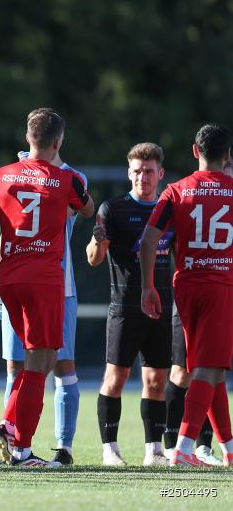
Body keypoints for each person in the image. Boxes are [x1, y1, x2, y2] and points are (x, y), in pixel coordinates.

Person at [0, 109, 94, 467]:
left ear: (27, 138)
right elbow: (88, 211)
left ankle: (9, 423)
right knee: (42, 361)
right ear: (58, 142)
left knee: (36, 360)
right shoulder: (67, 179)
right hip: (45, 281)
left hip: (8, 278)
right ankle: (20, 446)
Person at [140, 123, 233, 467]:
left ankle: (229, 448)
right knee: (208, 370)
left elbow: (149, 240)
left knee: (212, 371)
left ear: (195, 151)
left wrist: (148, 286)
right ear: (227, 156)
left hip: (185, 287)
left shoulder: (176, 191)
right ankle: (183, 447)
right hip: (220, 286)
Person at [85, 143, 173, 466]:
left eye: (149, 172)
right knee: (116, 377)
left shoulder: (169, 208)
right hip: (124, 307)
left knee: (156, 380)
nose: (142, 178)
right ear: (128, 173)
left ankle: (154, 450)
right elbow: (93, 259)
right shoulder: (114, 209)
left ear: (160, 174)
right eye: (136, 171)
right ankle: (110, 448)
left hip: (161, 309)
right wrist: (97, 239)